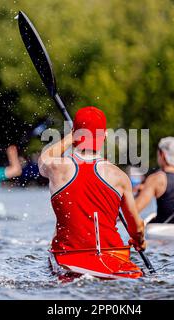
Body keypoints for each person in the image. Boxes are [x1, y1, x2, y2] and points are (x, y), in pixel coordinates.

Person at [38, 106, 146, 255]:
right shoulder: (119, 177)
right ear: (105, 136)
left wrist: (70, 138)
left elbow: (43, 159)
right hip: (114, 255)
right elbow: (138, 227)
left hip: (69, 257)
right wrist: (138, 240)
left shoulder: (58, 168)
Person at [135, 137, 174, 226]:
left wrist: (137, 195)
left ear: (163, 154)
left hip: (161, 237)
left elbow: (133, 211)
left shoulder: (157, 179)